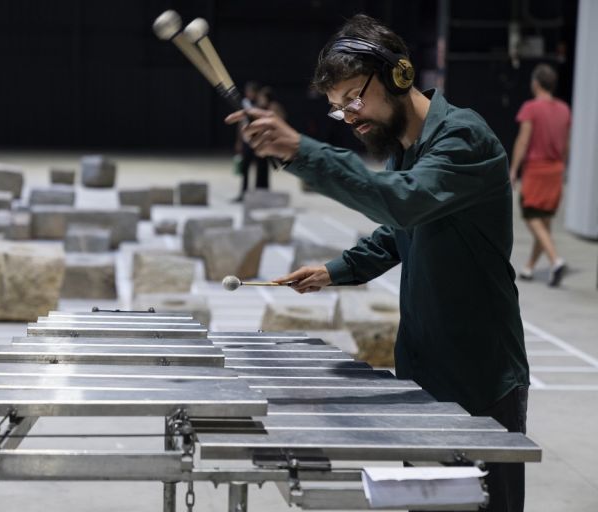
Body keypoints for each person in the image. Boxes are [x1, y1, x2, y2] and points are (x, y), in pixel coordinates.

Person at [226, 14, 529, 512]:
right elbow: (398, 231)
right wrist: (335, 270)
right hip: (421, 370)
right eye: (337, 108)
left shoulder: (463, 138)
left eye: (353, 99)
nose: (349, 116)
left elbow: (402, 202)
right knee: (426, 504)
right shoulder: (403, 151)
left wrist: (304, 152)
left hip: (482, 377)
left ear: (399, 75)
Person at [509, 63, 571, 287]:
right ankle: (529, 267)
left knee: (531, 216)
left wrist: (514, 169)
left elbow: (523, 140)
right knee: (544, 221)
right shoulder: (564, 110)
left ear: (536, 83)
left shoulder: (531, 108)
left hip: (536, 170)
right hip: (556, 169)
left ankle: (555, 260)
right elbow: (566, 144)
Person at [232, 81, 269, 202]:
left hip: (260, 139)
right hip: (247, 140)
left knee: (262, 167)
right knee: (245, 167)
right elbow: (240, 123)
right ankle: (243, 193)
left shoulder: (262, 103)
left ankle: (261, 193)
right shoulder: (245, 103)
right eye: (247, 91)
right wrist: (238, 141)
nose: (248, 93)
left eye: (250, 91)